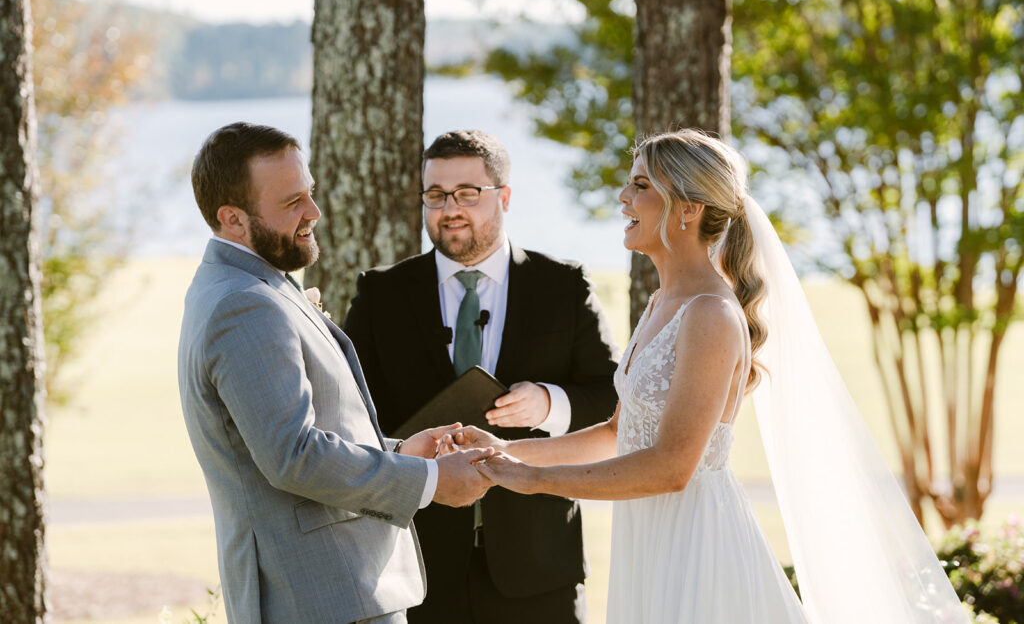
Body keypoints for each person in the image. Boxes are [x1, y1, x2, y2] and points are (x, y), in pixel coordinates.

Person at [452, 129, 971, 623]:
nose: (622, 197)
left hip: (696, 543)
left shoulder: (710, 314)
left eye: (640, 185)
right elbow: (617, 434)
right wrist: (502, 452)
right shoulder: (662, 302)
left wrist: (533, 481)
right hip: (650, 534)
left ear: (689, 209)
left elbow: (673, 466)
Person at [177, 122, 493, 624]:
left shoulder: (247, 285)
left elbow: (307, 431)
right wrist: (429, 480)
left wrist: (399, 453)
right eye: (291, 203)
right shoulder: (245, 304)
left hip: (334, 591)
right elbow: (294, 456)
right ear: (232, 219)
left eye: (311, 193)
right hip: (319, 597)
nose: (313, 213)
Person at [342, 129, 619, 623]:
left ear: (504, 197)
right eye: (435, 195)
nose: (450, 208)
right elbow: (350, 415)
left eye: (468, 193)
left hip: (539, 566)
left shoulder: (563, 286)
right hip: (416, 566)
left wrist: (550, 403)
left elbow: (613, 399)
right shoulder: (381, 294)